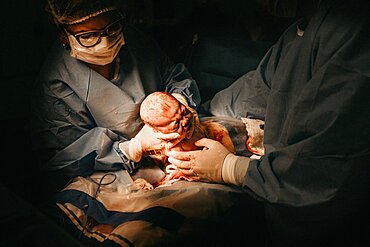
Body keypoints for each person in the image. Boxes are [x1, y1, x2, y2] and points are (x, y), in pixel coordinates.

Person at [167, 0, 370, 246]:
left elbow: (326, 166)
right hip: (284, 218)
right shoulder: (298, 33)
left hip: (331, 225)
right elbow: (255, 92)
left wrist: (230, 168)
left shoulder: (353, 29)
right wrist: (191, 114)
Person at [30, 0, 200, 226]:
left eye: (111, 28)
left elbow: (172, 76)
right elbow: (67, 159)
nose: (106, 40)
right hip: (111, 171)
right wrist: (132, 148)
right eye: (89, 35)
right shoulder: (57, 82)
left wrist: (179, 103)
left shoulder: (135, 41)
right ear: (63, 34)